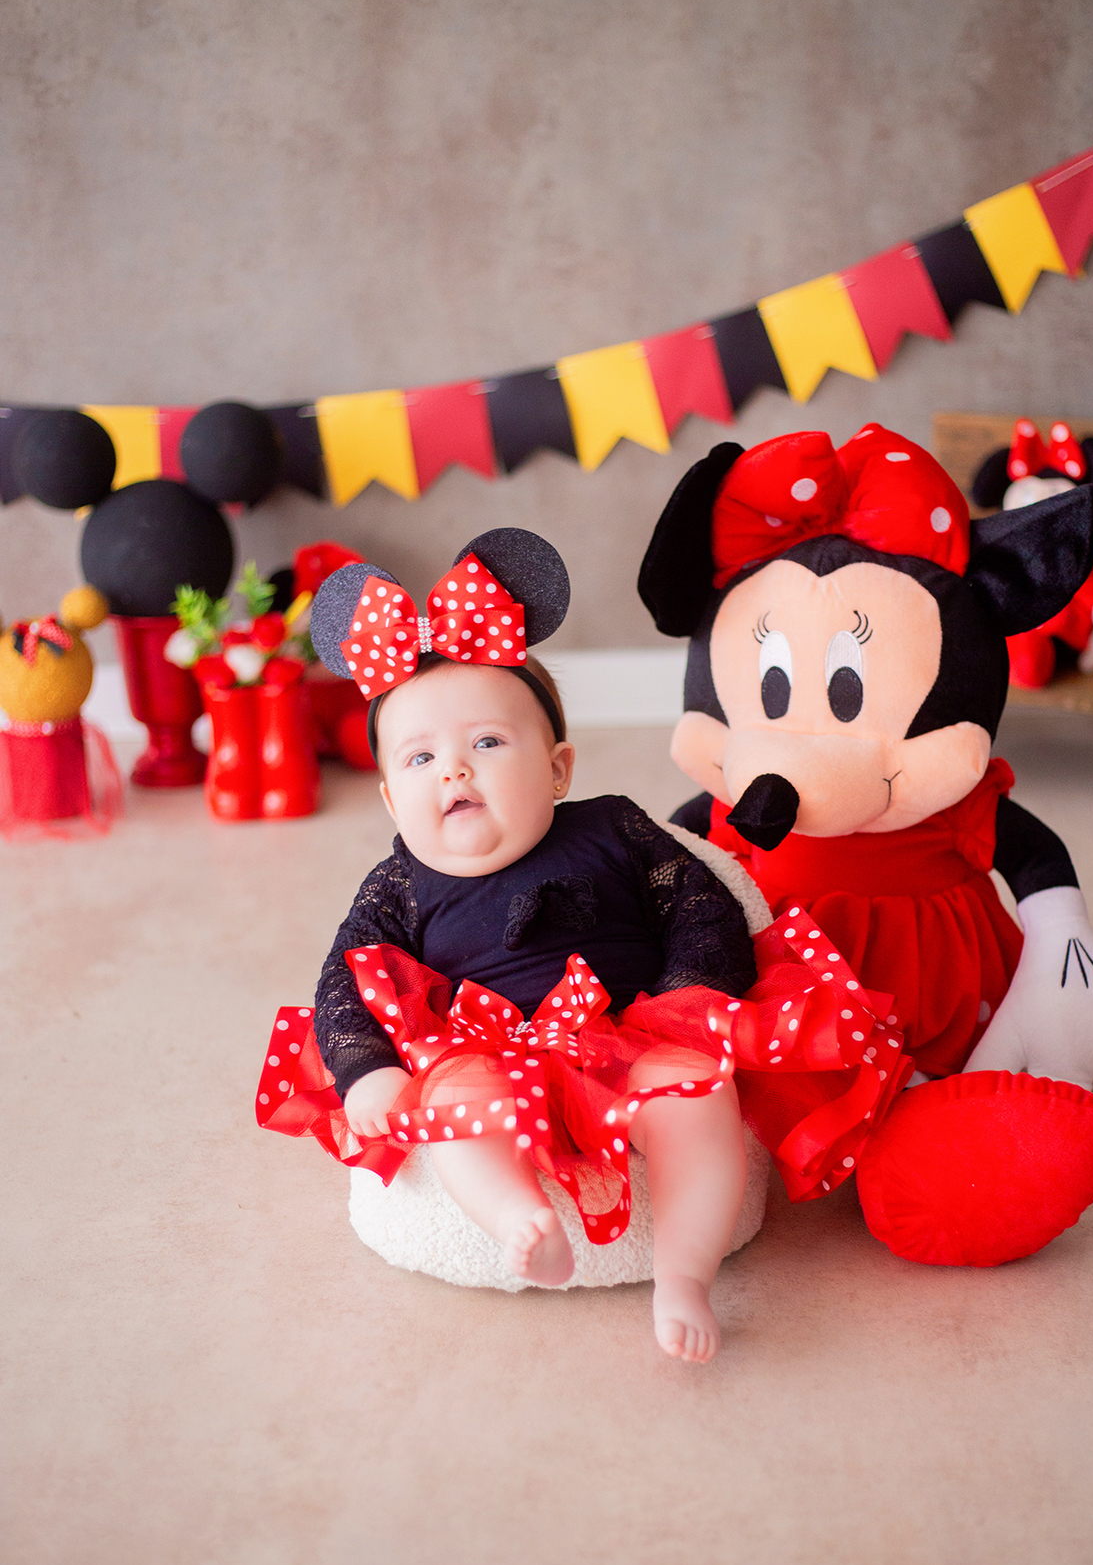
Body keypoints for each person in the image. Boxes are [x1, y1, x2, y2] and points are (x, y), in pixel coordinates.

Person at [257, 537, 911, 1361]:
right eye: (421, 758)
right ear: (392, 799)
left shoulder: (613, 826)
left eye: (487, 744)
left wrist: (690, 1000)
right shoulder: (397, 885)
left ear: (559, 767)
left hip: (632, 1029)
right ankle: (518, 1219)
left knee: (699, 1102)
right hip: (483, 1049)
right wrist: (367, 1070)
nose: (454, 771)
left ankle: (685, 1273)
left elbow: (697, 901)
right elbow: (344, 981)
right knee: (450, 1112)